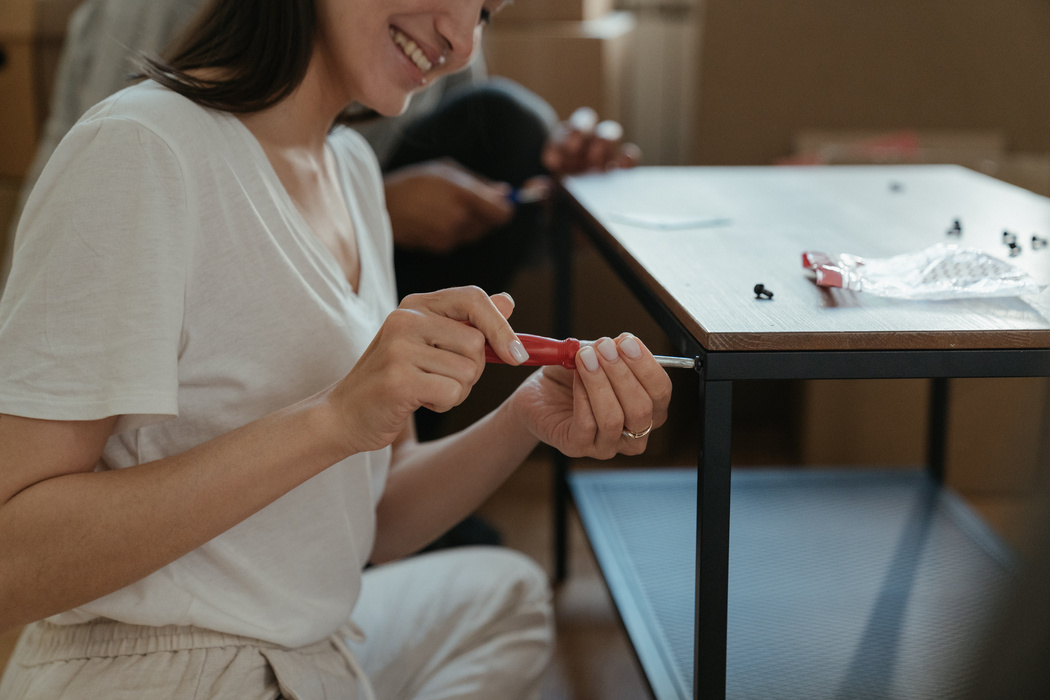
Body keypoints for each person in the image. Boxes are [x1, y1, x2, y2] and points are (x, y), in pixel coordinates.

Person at [0, 1, 671, 699]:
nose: (462, 42)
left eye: (484, 11)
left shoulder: (350, 170)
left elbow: (374, 517)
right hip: (160, 668)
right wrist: (331, 420)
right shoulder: (141, 148)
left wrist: (528, 416)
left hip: (311, 643)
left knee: (505, 596)